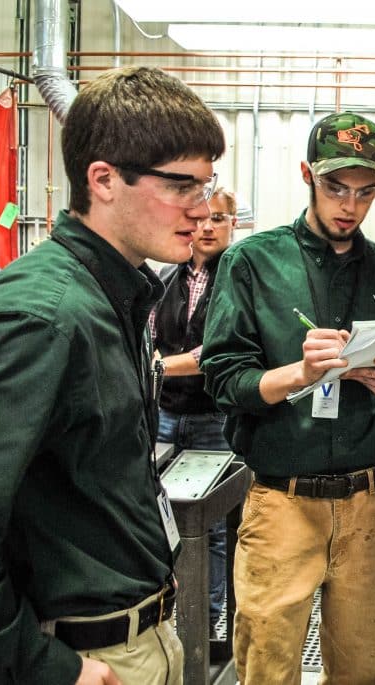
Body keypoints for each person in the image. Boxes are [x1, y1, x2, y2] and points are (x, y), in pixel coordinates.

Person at [0, 66, 225, 685]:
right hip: (79, 658)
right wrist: (46, 668)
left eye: (207, 186)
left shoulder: (113, 296)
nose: (202, 211)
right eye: (182, 186)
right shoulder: (42, 318)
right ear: (102, 179)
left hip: (133, 632)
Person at [201, 111, 375, 684]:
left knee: (368, 670)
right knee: (267, 669)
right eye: (335, 188)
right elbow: (224, 378)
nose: (348, 206)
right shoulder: (252, 263)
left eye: (365, 192)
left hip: (373, 506)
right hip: (283, 504)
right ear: (307, 174)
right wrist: (298, 374)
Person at [150, 187, 238, 638]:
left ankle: (204, 619)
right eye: (199, 218)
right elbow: (149, 333)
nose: (206, 227)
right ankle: (170, 606)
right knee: (164, 517)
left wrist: (156, 366)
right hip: (166, 414)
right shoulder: (167, 275)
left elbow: (214, 353)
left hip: (213, 421)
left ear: (233, 224)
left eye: (217, 219)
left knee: (214, 526)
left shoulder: (238, 278)